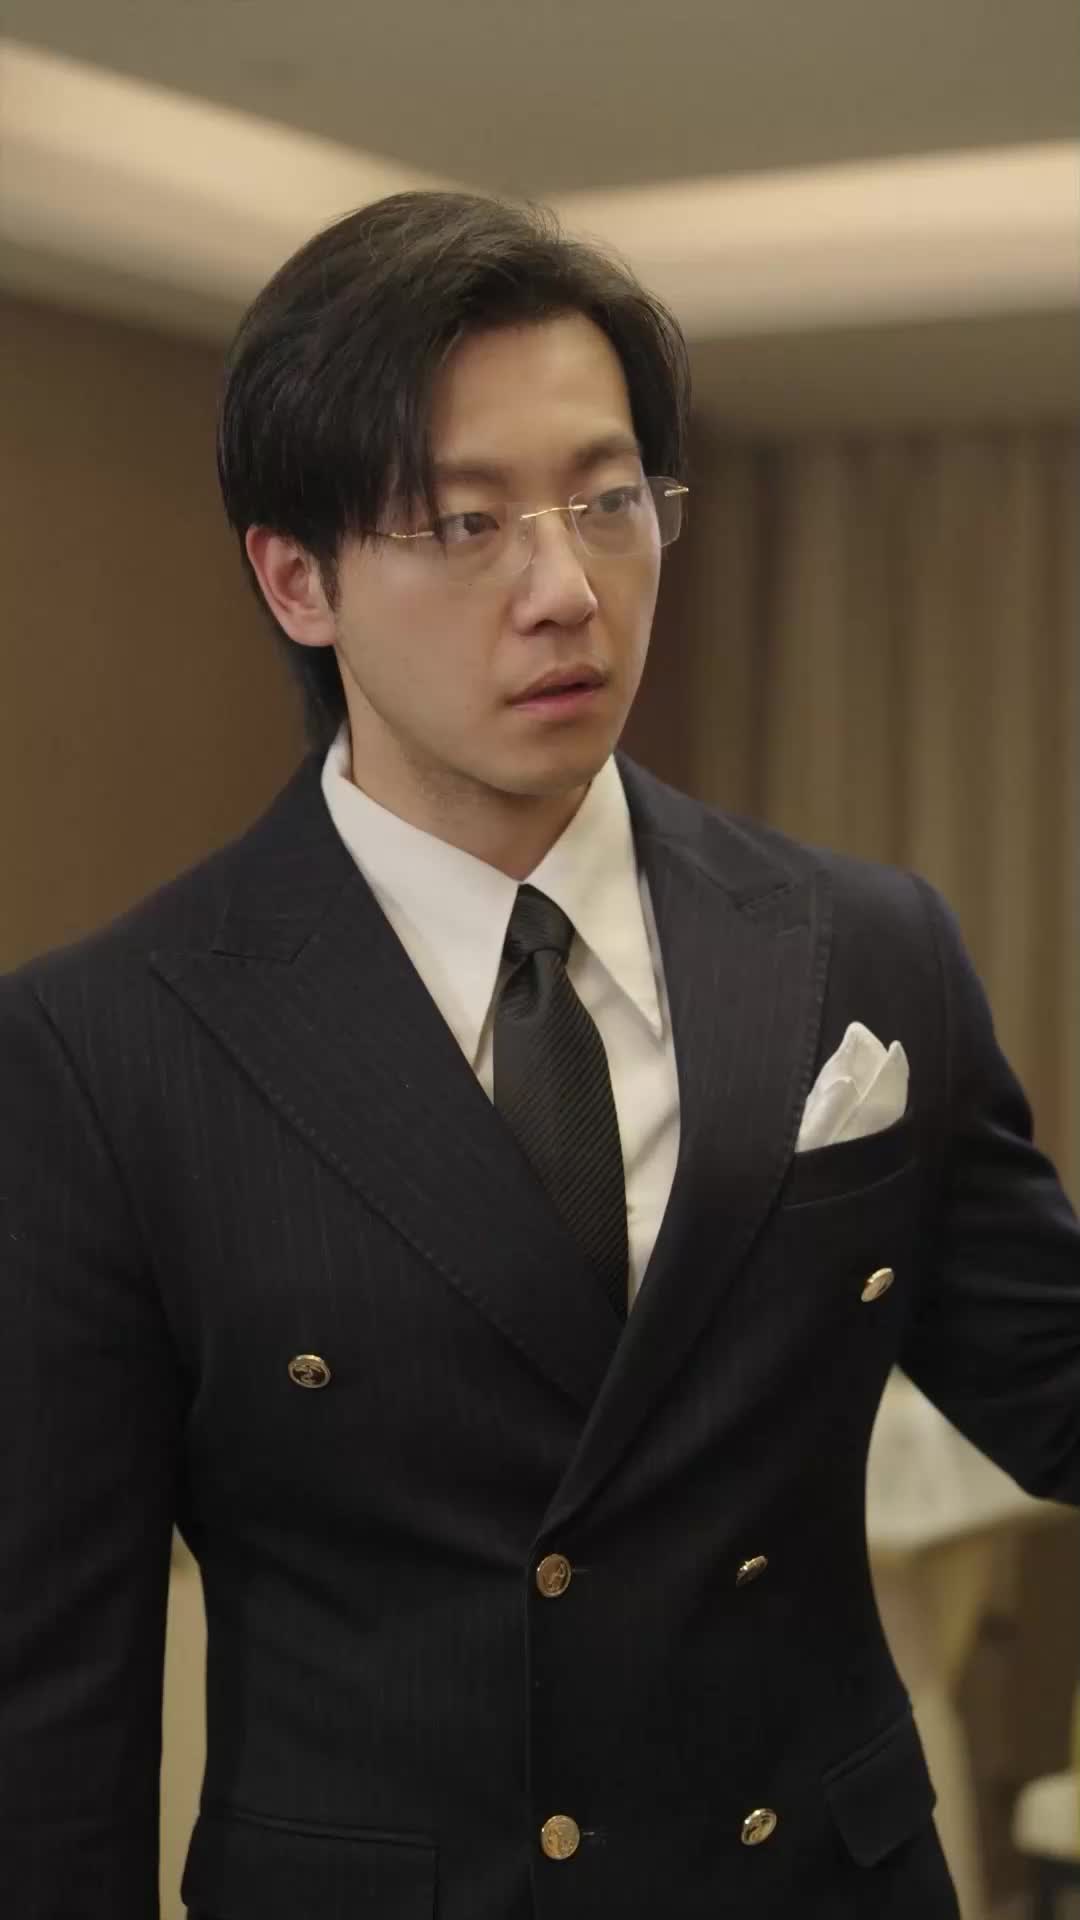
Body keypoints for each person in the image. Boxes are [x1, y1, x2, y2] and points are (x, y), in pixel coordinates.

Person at [2, 190, 1078, 1920]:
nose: (568, 590)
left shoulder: (864, 951)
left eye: (609, 500)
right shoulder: (104, 1049)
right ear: (297, 579)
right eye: (464, 523)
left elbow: (1057, 1377)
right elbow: (51, 1704)